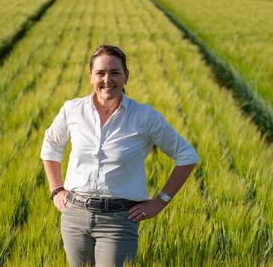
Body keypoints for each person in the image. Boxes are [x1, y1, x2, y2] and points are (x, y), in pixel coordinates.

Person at [41, 44, 199, 266]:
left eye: (115, 72)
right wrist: (56, 188)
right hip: (74, 215)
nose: (107, 79)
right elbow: (51, 145)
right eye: (100, 73)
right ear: (90, 77)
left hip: (118, 221)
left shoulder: (144, 116)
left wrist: (160, 202)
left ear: (126, 75)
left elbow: (187, 156)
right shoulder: (72, 110)